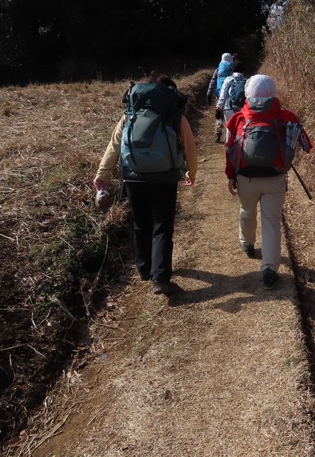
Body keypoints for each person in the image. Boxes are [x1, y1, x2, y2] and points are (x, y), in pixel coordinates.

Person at [94, 74, 198, 295]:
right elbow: (189, 148)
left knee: (141, 224)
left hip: (133, 177)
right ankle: (160, 279)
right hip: (164, 178)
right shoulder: (175, 115)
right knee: (162, 227)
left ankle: (144, 269)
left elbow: (114, 146)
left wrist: (102, 174)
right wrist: (191, 174)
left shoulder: (129, 115)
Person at [224, 74, 312, 289]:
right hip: (275, 177)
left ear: (248, 94)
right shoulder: (286, 116)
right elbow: (307, 145)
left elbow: (229, 149)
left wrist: (230, 176)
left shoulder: (237, 118)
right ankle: (269, 269)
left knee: (247, 210)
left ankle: (247, 243)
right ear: (274, 94)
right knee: (272, 221)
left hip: (246, 177)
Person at [216, 59, 247, 143]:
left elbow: (222, 96)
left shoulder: (228, 79)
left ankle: (229, 151)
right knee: (241, 129)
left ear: (231, 70)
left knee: (229, 130)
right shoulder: (247, 80)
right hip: (242, 109)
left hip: (228, 108)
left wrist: (219, 108)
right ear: (243, 70)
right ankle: (240, 151)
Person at [207, 52, 234, 142]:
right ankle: (228, 135)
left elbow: (213, 82)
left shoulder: (218, 69)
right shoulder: (232, 69)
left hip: (219, 94)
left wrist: (209, 93)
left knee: (219, 115)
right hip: (229, 95)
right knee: (228, 115)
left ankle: (217, 134)